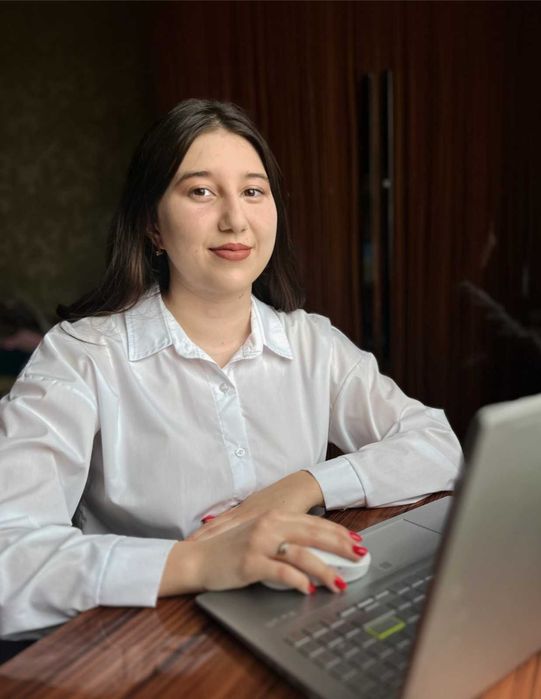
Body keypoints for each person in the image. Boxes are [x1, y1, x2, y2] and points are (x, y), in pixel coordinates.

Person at [0, 99, 462, 640]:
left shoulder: (311, 342)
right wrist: (198, 562)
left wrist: (305, 485)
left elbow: (437, 445)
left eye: (253, 191)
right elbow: (10, 553)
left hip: (299, 620)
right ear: (152, 224)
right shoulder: (81, 355)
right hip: (146, 644)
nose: (235, 219)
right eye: (201, 191)